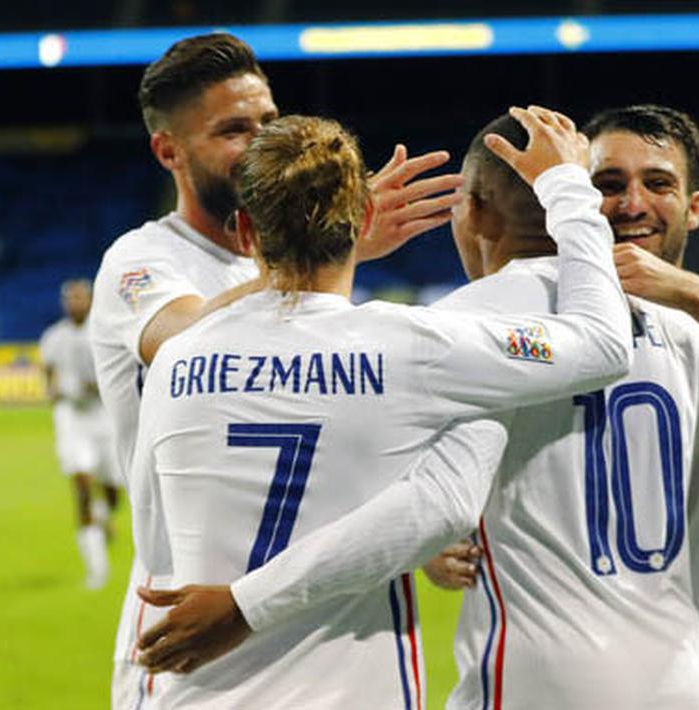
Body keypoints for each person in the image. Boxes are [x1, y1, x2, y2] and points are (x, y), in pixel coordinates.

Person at [132, 111, 699, 709]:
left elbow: (437, 500)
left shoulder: (454, 326)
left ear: (469, 209)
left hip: (525, 680)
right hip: (689, 682)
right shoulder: (695, 329)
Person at [128, 108, 632, 708]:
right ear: (364, 219)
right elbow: (602, 343)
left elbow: (155, 545)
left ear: (243, 232)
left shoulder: (175, 362)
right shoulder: (414, 346)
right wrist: (570, 191)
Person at [428, 104, 699, 706]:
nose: (631, 204)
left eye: (658, 184)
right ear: (569, 197)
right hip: (687, 683)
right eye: (607, 185)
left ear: (694, 207)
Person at [89, 32, 469, 709]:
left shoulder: (317, 276)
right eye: (234, 130)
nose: (262, 140)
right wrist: (317, 254)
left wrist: (416, 542)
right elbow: (177, 335)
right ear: (168, 151)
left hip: (342, 642)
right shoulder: (142, 260)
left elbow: (341, 444)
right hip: (201, 650)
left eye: (269, 121)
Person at [39, 278, 119, 590]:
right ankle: (97, 570)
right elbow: (47, 370)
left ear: (91, 300)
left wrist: (92, 387)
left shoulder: (105, 333)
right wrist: (53, 390)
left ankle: (103, 513)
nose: (75, 303)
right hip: (72, 419)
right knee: (82, 487)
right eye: (70, 298)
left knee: (113, 491)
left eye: (80, 298)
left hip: (104, 416)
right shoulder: (54, 337)